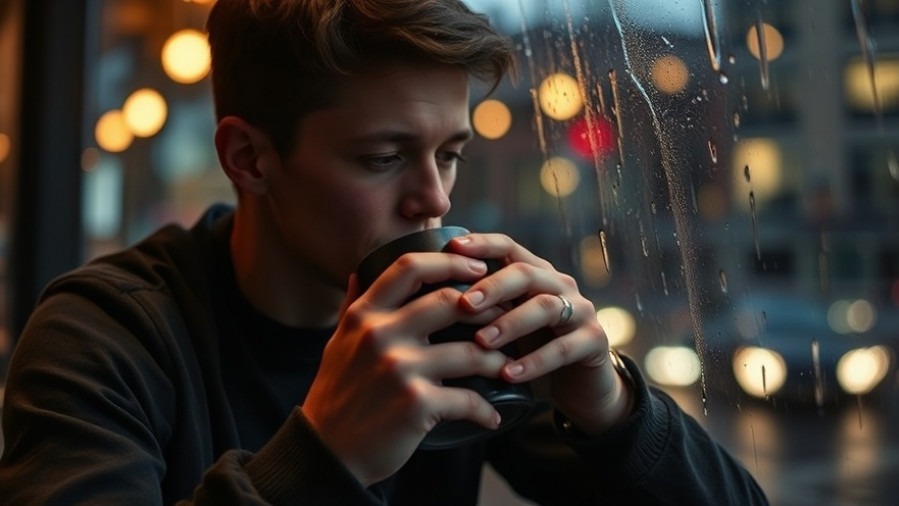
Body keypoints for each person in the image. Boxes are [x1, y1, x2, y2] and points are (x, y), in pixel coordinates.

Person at [0, 0, 768, 504]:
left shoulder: (453, 328)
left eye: (450, 153)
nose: (432, 199)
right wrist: (323, 456)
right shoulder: (101, 336)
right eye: (383, 157)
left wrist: (613, 410)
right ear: (248, 159)